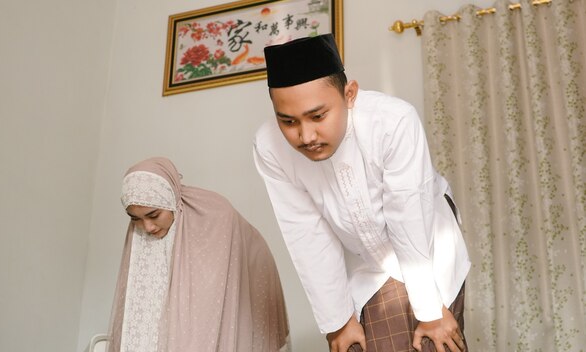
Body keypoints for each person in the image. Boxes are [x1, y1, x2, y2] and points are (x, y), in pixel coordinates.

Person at [253, 34, 470, 352]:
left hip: (427, 245)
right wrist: (338, 322)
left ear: (349, 94)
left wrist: (430, 311)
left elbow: (408, 217)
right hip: (365, 261)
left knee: (432, 342)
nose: (306, 135)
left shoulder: (393, 121)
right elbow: (305, 233)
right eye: (288, 121)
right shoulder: (269, 147)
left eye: (318, 116)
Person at [106, 157, 290, 351]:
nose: (147, 227)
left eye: (154, 215)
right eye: (135, 218)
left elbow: (206, 310)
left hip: (241, 300)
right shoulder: (139, 233)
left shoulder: (215, 216)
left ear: (170, 200)